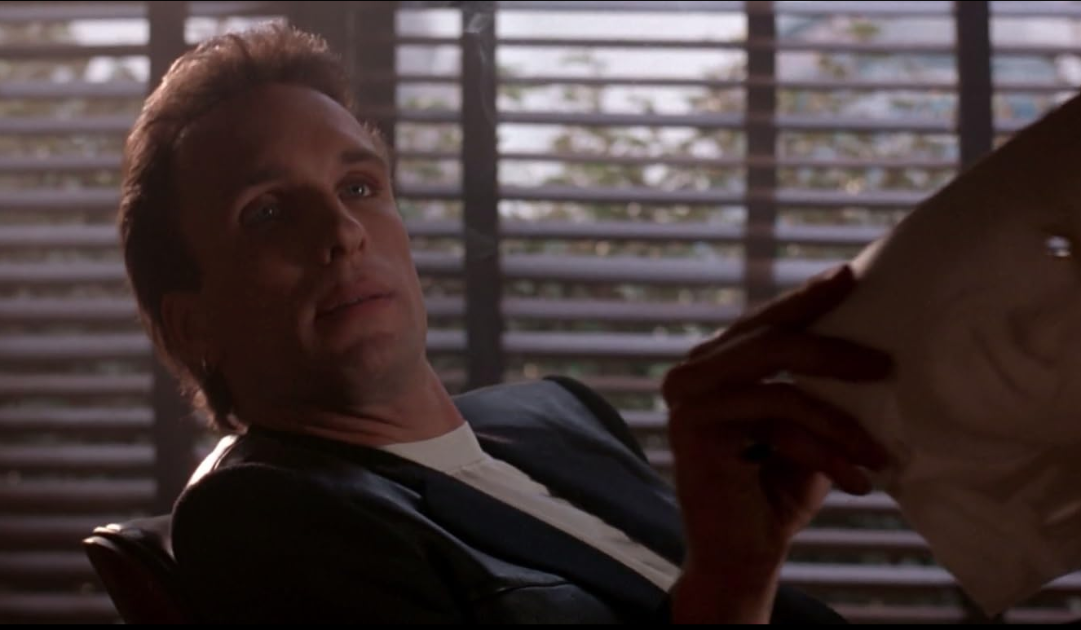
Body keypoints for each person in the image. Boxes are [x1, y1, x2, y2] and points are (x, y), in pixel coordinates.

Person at [118, 24, 893, 624]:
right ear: (191, 325)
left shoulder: (557, 413)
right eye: (267, 213)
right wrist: (732, 576)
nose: (343, 233)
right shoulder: (260, 520)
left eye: (358, 187)